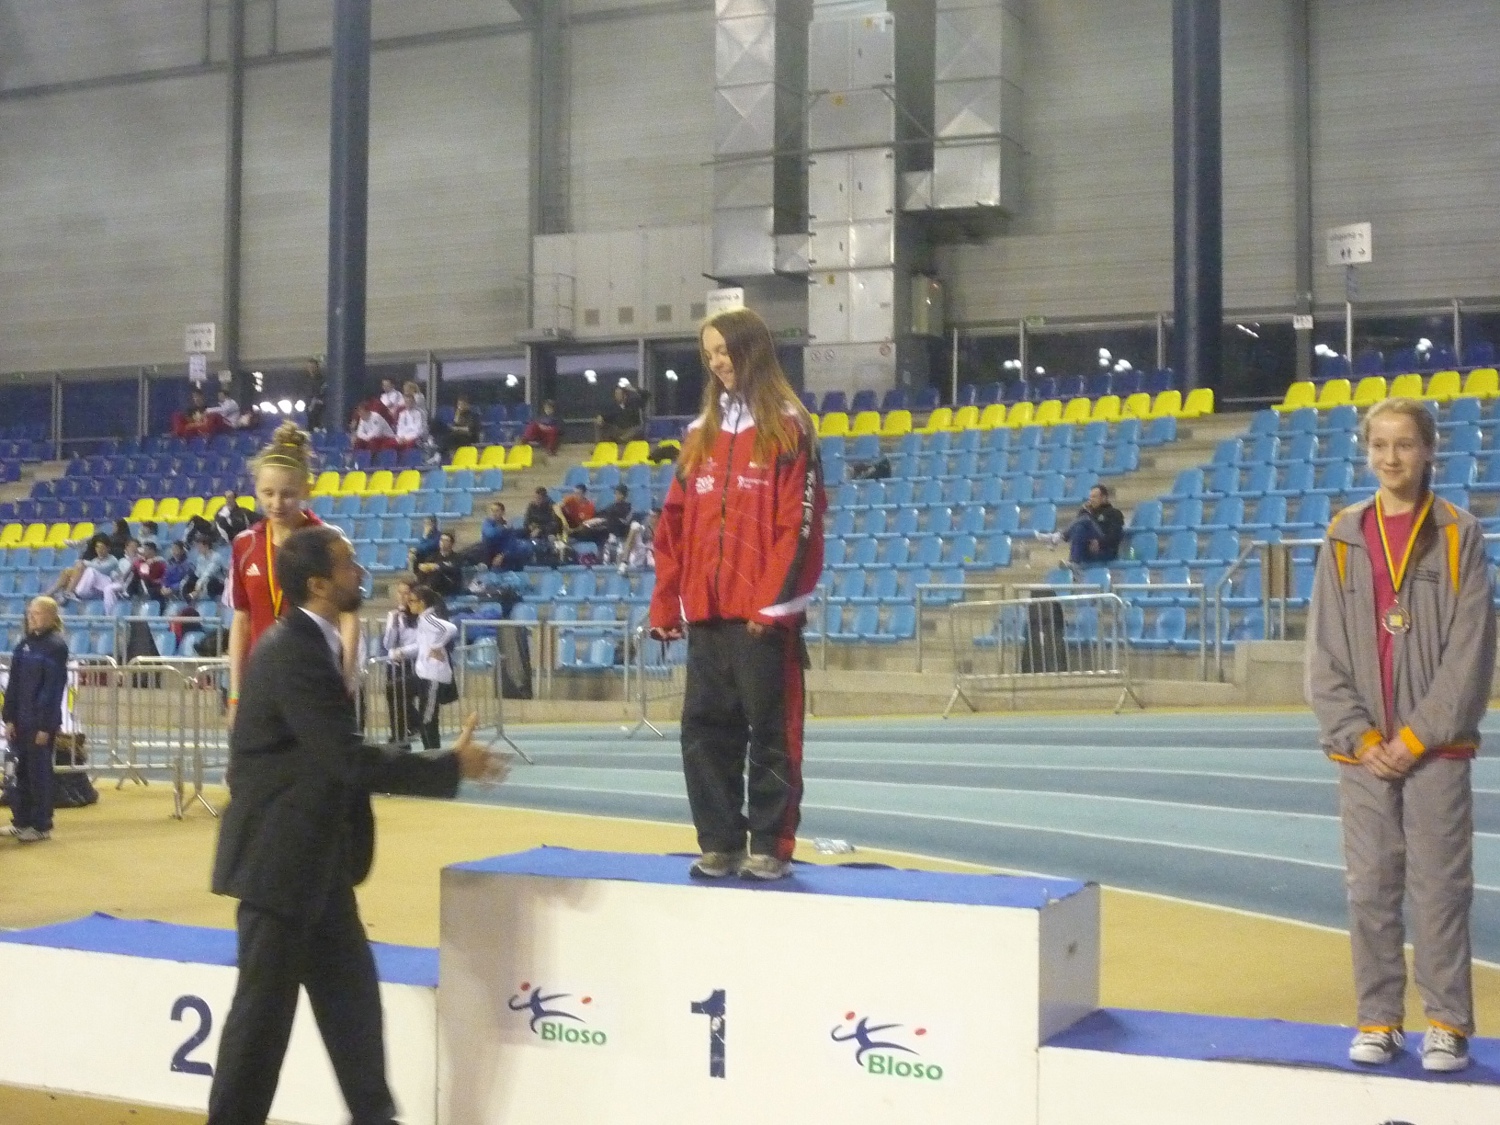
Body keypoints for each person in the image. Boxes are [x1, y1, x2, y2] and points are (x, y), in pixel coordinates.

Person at [205, 525, 510, 1125]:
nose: (359, 571)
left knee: (353, 1012)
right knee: (261, 1029)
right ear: (319, 584)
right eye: (347, 564)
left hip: (315, 867)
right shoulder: (293, 651)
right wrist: (450, 766)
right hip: (280, 869)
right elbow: (344, 759)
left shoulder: (308, 645)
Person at [1307, 397, 1494, 1074]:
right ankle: (1379, 1019)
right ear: (1367, 453)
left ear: (1429, 450)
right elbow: (1324, 651)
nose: (1392, 457)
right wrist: (1358, 737)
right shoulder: (1344, 534)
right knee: (1370, 889)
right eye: (1380, 445)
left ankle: (1446, 1024)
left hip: (1434, 750)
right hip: (1362, 754)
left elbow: (1470, 652)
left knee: (1441, 887)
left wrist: (1416, 738)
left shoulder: (1458, 533)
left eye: (1405, 444)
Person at [648, 307, 825, 881]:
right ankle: (720, 841)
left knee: (772, 733)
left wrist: (773, 605)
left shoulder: (790, 428)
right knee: (703, 731)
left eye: (724, 350)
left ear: (752, 350)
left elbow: (799, 525)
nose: (717, 363)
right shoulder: (699, 434)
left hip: (761, 619)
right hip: (706, 615)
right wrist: (667, 602)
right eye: (709, 354)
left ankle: (770, 845)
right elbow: (673, 525)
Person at [228, 423, 359, 724]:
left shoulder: (329, 541)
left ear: (306, 490)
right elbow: (242, 619)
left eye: (287, 494)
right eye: (268, 493)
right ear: (256, 490)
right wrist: (235, 694)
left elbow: (348, 615)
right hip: (263, 682)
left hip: (316, 679)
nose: (276, 503)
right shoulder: (245, 545)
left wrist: (346, 676)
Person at [3, 597, 69, 844]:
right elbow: (14, 684)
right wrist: (9, 717)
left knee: (38, 774)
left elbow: (53, 690)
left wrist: (45, 726)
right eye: (30, 613)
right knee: (18, 773)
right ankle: (21, 821)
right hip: (20, 721)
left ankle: (41, 825)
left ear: (51, 616)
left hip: (39, 723)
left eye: (37, 613)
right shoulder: (24, 644)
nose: (31, 618)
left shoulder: (55, 647)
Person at [406, 584, 458, 751]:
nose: (409, 604)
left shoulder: (428, 619)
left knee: (428, 719)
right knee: (398, 691)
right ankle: (430, 751)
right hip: (425, 674)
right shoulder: (423, 620)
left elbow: (451, 628)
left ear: (422, 602)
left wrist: (437, 645)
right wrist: (399, 652)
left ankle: (432, 753)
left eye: (412, 601)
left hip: (433, 675)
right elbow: (421, 646)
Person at [1036, 484, 1125, 566]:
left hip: (1105, 551)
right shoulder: (1088, 512)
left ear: (1104, 498)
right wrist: (1083, 510)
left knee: (1085, 519)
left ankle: (1057, 537)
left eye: (1094, 497)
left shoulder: (1115, 513)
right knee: (1079, 528)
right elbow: (1075, 528)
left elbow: (1115, 536)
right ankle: (1074, 562)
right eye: (1090, 497)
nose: (1091, 499)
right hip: (1088, 551)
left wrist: (1099, 543)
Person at [380, 579, 420, 747]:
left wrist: (403, 652)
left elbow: (421, 643)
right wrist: (394, 624)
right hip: (394, 664)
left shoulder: (420, 616)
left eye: (406, 593)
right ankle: (397, 734)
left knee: (404, 699)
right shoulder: (394, 615)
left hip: (411, 663)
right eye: (400, 593)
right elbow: (388, 644)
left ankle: (414, 727)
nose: (402, 597)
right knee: (392, 697)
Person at [466, 502, 528, 570]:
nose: (494, 513)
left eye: (497, 511)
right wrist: (502, 528)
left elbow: (512, 543)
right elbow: (490, 534)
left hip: (502, 556)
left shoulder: (508, 526)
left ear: (503, 512)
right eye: (492, 511)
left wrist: (502, 555)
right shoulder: (487, 523)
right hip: (488, 553)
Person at [413, 532, 464, 599]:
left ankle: (428, 591)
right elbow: (423, 569)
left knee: (437, 571)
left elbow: (454, 569)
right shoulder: (432, 557)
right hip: (433, 586)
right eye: (441, 540)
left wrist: (436, 566)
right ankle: (422, 591)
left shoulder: (457, 557)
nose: (442, 542)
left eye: (446, 540)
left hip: (450, 585)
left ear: (451, 543)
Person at [522, 486, 564, 565]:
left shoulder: (552, 506)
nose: (536, 500)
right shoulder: (531, 505)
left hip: (549, 531)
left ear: (544, 498)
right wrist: (530, 526)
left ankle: (552, 558)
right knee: (520, 533)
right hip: (534, 530)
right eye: (535, 498)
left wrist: (540, 529)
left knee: (551, 537)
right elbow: (526, 521)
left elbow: (555, 524)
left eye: (539, 498)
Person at [560, 483, 608, 548]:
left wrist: (573, 529)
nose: (575, 495)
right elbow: (558, 508)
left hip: (580, 530)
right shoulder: (570, 499)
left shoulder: (589, 506)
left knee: (595, 531)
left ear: (584, 494)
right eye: (574, 493)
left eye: (578, 494)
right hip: (569, 527)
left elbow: (585, 524)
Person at [619, 507, 659, 576]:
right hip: (640, 558)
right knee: (634, 527)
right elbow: (639, 530)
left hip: (655, 560)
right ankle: (624, 562)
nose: (650, 518)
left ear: (659, 518)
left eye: (654, 516)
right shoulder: (644, 528)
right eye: (650, 516)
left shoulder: (664, 532)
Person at [439, 395, 482, 460]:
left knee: (451, 438)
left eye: (461, 404)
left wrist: (457, 429)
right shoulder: (460, 414)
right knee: (448, 436)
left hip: (470, 436)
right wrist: (457, 414)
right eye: (458, 404)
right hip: (460, 435)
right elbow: (455, 423)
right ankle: (445, 456)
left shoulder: (472, 415)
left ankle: (443, 455)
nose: (459, 407)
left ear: (466, 405)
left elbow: (469, 429)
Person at [305, 359, 326, 432]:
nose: (311, 369)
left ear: (317, 367)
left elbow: (322, 394)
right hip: (308, 411)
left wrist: (316, 401)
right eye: (309, 367)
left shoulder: (323, 381)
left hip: (319, 412)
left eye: (313, 367)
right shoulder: (306, 381)